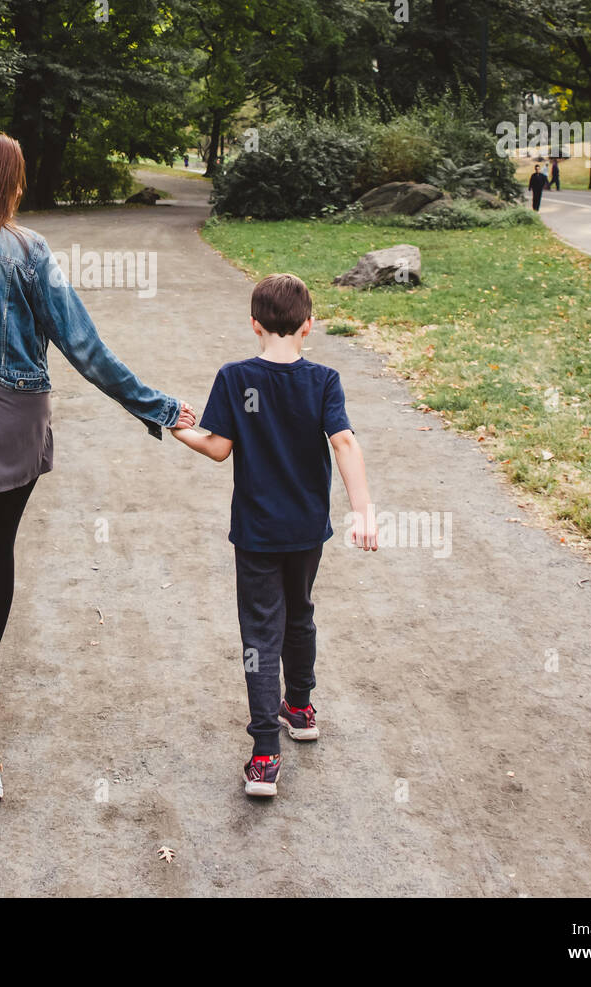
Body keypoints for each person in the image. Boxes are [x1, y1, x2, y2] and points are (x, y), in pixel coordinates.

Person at [0, 127, 194, 805]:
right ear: (5, 180)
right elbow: (84, 345)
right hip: (13, 427)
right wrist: (159, 407)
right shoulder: (29, 251)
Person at [169, 273, 376, 798]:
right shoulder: (324, 380)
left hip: (257, 532)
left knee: (260, 634)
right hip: (307, 530)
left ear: (254, 324)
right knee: (300, 611)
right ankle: (301, 708)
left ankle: (265, 754)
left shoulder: (236, 377)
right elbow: (345, 443)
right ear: (310, 325)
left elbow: (217, 448)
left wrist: (176, 428)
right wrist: (363, 511)